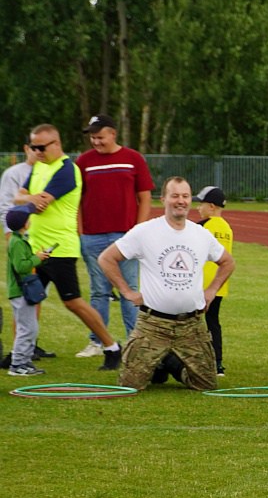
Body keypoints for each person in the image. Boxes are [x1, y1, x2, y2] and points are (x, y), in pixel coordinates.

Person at [97, 176, 234, 391]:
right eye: (175, 196)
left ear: (190, 200)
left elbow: (227, 262)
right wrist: (126, 292)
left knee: (206, 385)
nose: (181, 201)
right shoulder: (145, 231)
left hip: (191, 325)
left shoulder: (201, 234)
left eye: (185, 196)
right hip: (153, 324)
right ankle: (159, 361)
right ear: (163, 199)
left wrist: (212, 290)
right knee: (130, 385)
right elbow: (106, 258)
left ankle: (170, 363)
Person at [12, 124, 122, 370]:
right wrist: (28, 198)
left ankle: (111, 347)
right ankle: (21, 354)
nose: (37, 152)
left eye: (41, 147)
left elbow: (39, 204)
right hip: (34, 247)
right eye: (33, 147)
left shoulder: (66, 170)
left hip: (59, 249)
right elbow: (18, 197)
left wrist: (27, 199)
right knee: (26, 299)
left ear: (56, 144)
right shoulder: (39, 167)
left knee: (72, 302)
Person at [75, 114, 154, 357]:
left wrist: (137, 231)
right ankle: (98, 342)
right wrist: (81, 232)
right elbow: (77, 200)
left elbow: (145, 197)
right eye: (92, 137)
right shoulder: (83, 162)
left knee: (128, 289)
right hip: (93, 236)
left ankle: (134, 340)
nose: (95, 142)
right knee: (99, 291)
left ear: (113, 134)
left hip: (125, 237)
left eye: (99, 136)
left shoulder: (133, 159)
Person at [194, 186, 232, 375]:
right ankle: (217, 362)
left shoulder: (202, 226)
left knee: (190, 323)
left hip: (201, 284)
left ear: (210, 206)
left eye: (200, 204)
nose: (198, 208)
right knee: (213, 323)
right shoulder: (227, 227)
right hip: (219, 285)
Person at [6, 209, 48, 376]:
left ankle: (25, 361)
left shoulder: (20, 240)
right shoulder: (16, 243)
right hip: (20, 291)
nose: (30, 221)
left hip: (22, 291)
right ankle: (17, 364)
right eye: (28, 219)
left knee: (32, 328)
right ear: (23, 223)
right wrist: (37, 258)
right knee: (27, 329)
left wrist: (38, 257)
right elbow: (21, 267)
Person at [0, 144, 35, 239]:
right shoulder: (13, 174)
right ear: (27, 149)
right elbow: (6, 206)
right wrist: (10, 235)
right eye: (35, 148)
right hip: (25, 236)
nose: (39, 152)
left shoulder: (54, 172)